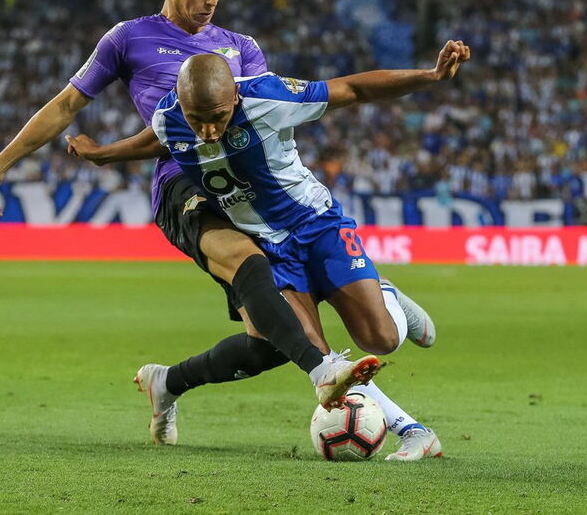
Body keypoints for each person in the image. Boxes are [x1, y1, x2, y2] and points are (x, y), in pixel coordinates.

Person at [0, 0, 381, 413]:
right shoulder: (129, 38)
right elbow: (65, 105)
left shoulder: (241, 48)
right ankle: (323, 371)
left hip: (244, 193)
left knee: (267, 343)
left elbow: (263, 123)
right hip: (182, 184)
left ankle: (168, 383)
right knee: (251, 266)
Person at [67, 40, 471, 460]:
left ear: (235, 97)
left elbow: (354, 90)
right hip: (268, 245)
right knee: (315, 349)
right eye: (197, 119)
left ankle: (387, 296)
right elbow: (157, 140)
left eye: (218, 118)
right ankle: (411, 429)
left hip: (317, 224)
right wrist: (103, 154)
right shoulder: (171, 116)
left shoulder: (268, 95)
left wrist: (431, 76)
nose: (207, 130)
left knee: (381, 339)